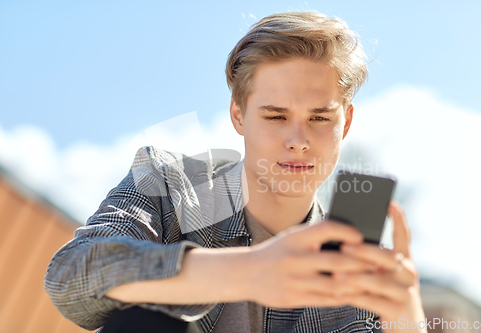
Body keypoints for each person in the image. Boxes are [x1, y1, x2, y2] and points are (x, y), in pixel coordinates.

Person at [45, 11, 426, 333]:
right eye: (276, 116)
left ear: (345, 125)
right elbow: (70, 275)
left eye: (319, 118)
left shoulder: (358, 276)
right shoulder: (168, 183)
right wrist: (247, 270)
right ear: (238, 115)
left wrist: (407, 320)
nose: (298, 140)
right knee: (145, 310)